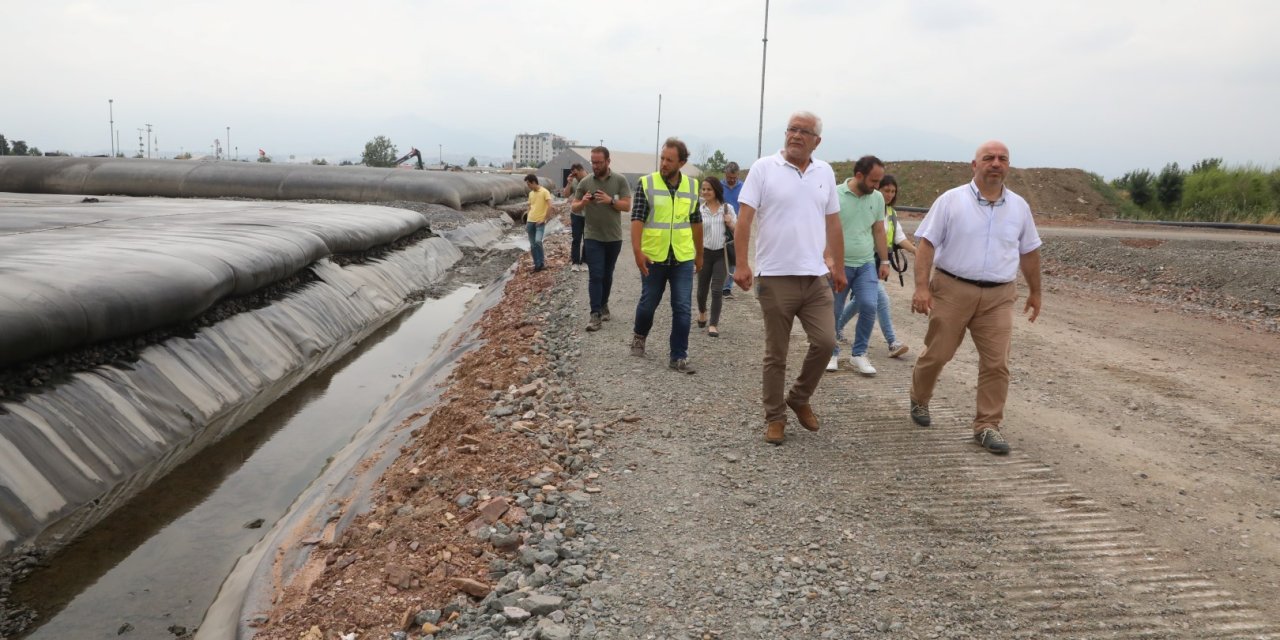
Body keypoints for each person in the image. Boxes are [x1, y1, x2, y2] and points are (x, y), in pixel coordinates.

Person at [909, 140, 1042, 455]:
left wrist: (1036, 291)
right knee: (938, 354)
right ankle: (919, 398)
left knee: (997, 363)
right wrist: (921, 286)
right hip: (953, 288)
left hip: (998, 296)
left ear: (1008, 166)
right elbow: (926, 245)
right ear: (975, 165)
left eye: (1002, 159)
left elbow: (1030, 251)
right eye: (989, 158)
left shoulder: (1020, 207)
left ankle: (987, 426)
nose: (996, 163)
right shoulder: (951, 201)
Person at [733, 111, 847, 445]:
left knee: (826, 342)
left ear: (817, 140)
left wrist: (837, 267)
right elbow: (744, 220)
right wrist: (742, 264)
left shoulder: (824, 171)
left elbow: (834, 224)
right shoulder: (764, 168)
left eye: (804, 131)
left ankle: (798, 397)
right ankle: (775, 416)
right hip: (775, 276)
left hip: (814, 277)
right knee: (776, 354)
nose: (796, 135)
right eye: (792, 129)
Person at [630, 137, 703, 374]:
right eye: (662, 158)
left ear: (681, 163)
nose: (663, 163)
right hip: (654, 257)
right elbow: (637, 219)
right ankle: (640, 335)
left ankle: (678, 356)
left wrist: (699, 255)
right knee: (648, 304)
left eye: (669, 160)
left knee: (682, 307)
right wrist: (637, 252)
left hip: (682, 257)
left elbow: (696, 222)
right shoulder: (647, 183)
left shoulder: (692, 186)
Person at [836, 173, 915, 358]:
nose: (889, 194)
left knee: (861, 302)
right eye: (886, 190)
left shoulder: (891, 214)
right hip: (862, 263)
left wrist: (917, 252)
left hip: (875, 265)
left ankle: (835, 328)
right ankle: (892, 341)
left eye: (893, 191)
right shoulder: (866, 207)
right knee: (881, 300)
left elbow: (899, 237)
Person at [827, 156, 890, 376]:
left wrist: (884, 260)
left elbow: (879, 230)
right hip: (838, 264)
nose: (876, 186)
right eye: (873, 181)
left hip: (865, 263)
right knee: (833, 311)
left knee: (869, 305)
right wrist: (828, 260)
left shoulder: (878, 198)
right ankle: (831, 352)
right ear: (859, 176)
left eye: (879, 181)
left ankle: (858, 354)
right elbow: (823, 229)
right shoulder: (834, 195)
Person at [572, 147, 632, 332]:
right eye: (593, 162)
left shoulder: (620, 180)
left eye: (598, 162)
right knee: (595, 275)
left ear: (608, 161)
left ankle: (604, 303)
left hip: (613, 238)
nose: (595, 165)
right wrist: (583, 203)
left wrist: (610, 201)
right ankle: (595, 314)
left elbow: (627, 206)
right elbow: (574, 207)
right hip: (592, 236)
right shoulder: (585, 182)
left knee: (607, 275)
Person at [695, 176, 735, 337]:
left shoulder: (727, 208)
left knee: (717, 289)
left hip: (721, 254)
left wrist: (730, 222)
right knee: (701, 290)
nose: (705, 192)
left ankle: (713, 324)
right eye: (703, 189)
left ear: (716, 190)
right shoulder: (699, 210)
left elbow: (737, 230)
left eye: (709, 189)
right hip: (703, 253)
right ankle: (702, 312)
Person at [720, 162, 744, 299]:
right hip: (720, 223)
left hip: (736, 225)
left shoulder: (744, 187)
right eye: (729, 177)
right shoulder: (719, 186)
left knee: (732, 254)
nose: (732, 180)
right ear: (725, 174)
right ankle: (717, 282)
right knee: (718, 254)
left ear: (738, 175)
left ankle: (727, 288)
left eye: (734, 178)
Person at [562, 163, 588, 272]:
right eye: (573, 174)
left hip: (589, 215)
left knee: (587, 239)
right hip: (576, 214)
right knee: (576, 239)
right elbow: (566, 195)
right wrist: (569, 183)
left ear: (581, 170)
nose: (575, 176)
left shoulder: (591, 179)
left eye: (576, 174)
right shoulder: (574, 181)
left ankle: (585, 261)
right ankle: (575, 262)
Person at [524, 174, 552, 272]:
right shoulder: (531, 194)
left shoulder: (545, 192)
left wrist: (544, 219)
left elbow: (550, 206)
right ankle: (537, 265)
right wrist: (527, 221)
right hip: (530, 221)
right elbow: (529, 207)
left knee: (538, 241)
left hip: (540, 222)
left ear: (533, 182)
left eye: (528, 184)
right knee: (532, 245)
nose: (528, 186)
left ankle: (542, 263)